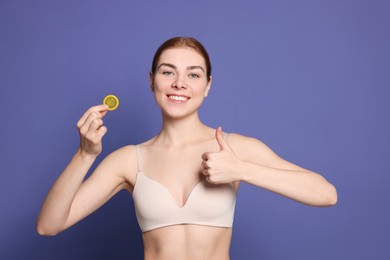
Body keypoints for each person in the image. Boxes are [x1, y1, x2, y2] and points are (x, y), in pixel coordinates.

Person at [37, 36, 337, 260]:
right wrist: (85, 154)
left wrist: (243, 169)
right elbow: (48, 226)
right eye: (168, 72)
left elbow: (325, 193)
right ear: (152, 81)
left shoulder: (233, 148)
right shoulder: (129, 160)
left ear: (207, 85)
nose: (179, 83)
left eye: (193, 74)